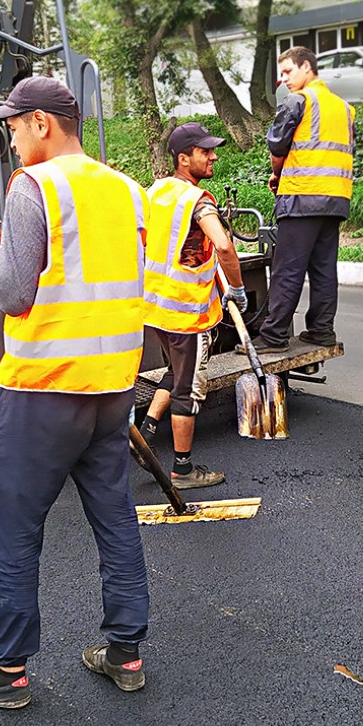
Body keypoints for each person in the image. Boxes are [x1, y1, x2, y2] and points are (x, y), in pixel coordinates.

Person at [0, 77, 151, 709]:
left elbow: (12, 293)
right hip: (113, 387)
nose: (11, 138)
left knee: (15, 530)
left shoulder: (34, 187)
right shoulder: (126, 189)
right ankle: (125, 654)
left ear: (41, 123)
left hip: (44, 390)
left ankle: (6, 676)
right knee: (115, 518)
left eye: (13, 126)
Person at [138, 122, 248, 490]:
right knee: (187, 389)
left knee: (176, 372)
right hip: (186, 313)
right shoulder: (198, 201)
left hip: (157, 308)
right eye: (205, 152)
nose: (213, 156)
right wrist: (237, 288)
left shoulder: (157, 191)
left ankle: (145, 432)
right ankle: (182, 471)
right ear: (184, 159)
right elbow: (224, 246)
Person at [244, 46, 354, 354]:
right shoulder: (345, 108)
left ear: (307, 67)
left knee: (288, 269)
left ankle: (273, 336)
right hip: (335, 198)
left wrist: (277, 175)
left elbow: (277, 147)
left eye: (288, 71)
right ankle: (321, 330)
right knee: (323, 269)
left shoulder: (299, 101)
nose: (283, 80)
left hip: (302, 195)